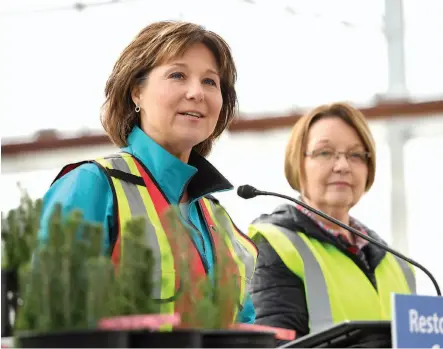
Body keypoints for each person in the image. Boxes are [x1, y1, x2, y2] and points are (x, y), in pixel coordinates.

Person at [38, 21, 257, 325]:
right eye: (177, 75)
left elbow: (248, 332)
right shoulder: (91, 186)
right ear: (136, 92)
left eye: (210, 81)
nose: (196, 92)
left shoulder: (222, 222)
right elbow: (51, 323)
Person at [248, 102, 416, 342]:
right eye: (325, 152)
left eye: (356, 155)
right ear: (298, 163)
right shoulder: (272, 244)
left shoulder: (399, 264)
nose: (343, 166)